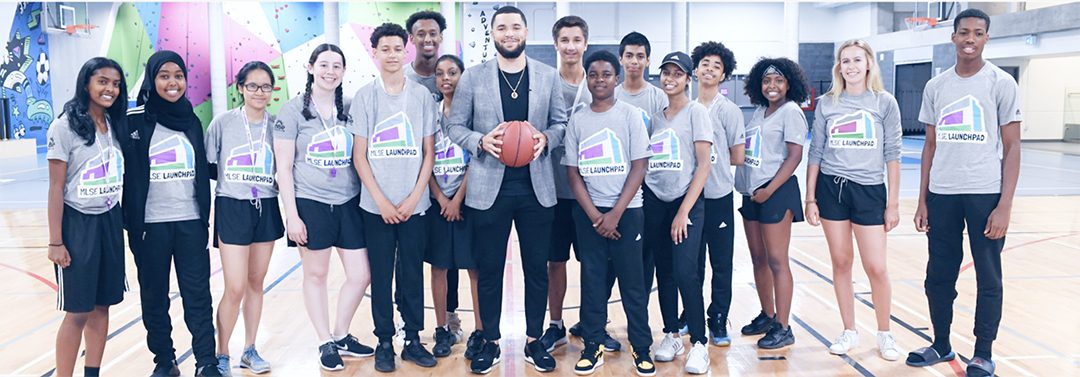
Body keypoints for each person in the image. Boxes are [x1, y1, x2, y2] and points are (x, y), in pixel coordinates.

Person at [446, 5, 568, 374]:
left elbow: (561, 123)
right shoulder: (473, 77)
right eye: (502, 27)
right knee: (489, 268)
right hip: (488, 187)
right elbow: (455, 126)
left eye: (516, 26)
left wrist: (545, 138)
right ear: (493, 34)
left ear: (526, 32)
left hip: (536, 187)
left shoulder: (548, 76)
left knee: (536, 267)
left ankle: (534, 340)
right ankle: (492, 340)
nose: (509, 33)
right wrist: (481, 141)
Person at [907, 9, 1021, 377]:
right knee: (938, 276)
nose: (970, 38)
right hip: (942, 194)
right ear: (953, 37)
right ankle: (941, 344)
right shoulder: (937, 86)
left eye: (978, 33)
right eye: (964, 32)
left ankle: (983, 353)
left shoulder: (1001, 83)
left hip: (985, 193)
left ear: (987, 38)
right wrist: (922, 199)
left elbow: (1013, 146)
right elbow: (929, 145)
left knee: (989, 278)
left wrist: (1004, 206)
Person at [272, 43, 373, 372]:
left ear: (344, 72)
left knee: (361, 275)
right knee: (316, 275)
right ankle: (323, 340)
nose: (330, 72)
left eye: (337, 66)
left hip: (348, 201)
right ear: (311, 67)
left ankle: (341, 333)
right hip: (310, 202)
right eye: (324, 65)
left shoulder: (352, 108)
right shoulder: (292, 111)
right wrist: (292, 215)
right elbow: (283, 168)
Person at [123, 51, 221, 377]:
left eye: (178, 75)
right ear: (152, 79)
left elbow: (203, 167)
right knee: (155, 298)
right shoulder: (134, 119)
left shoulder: (191, 120)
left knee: (197, 295)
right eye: (164, 75)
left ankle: (206, 361)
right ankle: (165, 362)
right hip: (150, 226)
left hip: (191, 221)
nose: (172, 82)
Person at [804, 39, 903, 361]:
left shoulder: (884, 102)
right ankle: (849, 330)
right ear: (839, 67)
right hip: (832, 189)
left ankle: (885, 333)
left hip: (870, 190)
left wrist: (893, 204)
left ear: (869, 64)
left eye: (857, 60)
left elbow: (893, 154)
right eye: (845, 61)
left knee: (876, 266)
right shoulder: (828, 103)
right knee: (842, 262)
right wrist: (810, 198)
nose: (851, 66)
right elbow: (815, 152)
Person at [350, 22, 438, 372]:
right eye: (384, 49)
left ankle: (413, 338)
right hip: (376, 206)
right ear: (375, 53)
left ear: (407, 51)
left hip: (416, 205)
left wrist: (416, 195)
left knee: (412, 273)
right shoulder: (364, 97)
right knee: (382, 274)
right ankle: (384, 340)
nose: (391, 54)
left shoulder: (420, 97)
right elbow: (360, 155)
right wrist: (381, 201)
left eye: (397, 48)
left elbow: (428, 152)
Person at [563, 50, 656, 377]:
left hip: (627, 213)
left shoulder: (630, 116)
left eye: (605, 74)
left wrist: (616, 213)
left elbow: (639, 166)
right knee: (592, 282)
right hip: (589, 215)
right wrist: (594, 215)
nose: (599, 80)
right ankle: (593, 345)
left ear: (616, 78)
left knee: (633, 284)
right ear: (587, 79)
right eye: (593, 74)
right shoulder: (578, 119)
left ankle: (641, 348)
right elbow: (573, 174)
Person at [47, 57, 128, 377]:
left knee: (102, 305)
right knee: (77, 311)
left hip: (110, 219)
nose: (110, 89)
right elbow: (55, 188)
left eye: (116, 84)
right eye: (103, 81)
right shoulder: (64, 126)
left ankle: (92, 373)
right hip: (77, 224)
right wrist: (56, 241)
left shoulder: (114, 124)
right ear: (86, 84)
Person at [206, 61, 284, 375]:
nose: (259, 92)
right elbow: (210, 165)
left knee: (255, 282)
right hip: (233, 205)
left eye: (265, 86)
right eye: (252, 86)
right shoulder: (222, 123)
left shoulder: (277, 125)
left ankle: (250, 349)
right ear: (240, 88)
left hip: (266, 205)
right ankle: (221, 353)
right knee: (235, 286)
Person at [542, 14, 612, 354]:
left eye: (576, 40)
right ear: (556, 45)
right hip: (553, 191)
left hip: (592, 193)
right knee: (555, 262)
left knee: (594, 264)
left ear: (585, 43)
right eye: (564, 40)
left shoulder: (599, 83)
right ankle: (554, 325)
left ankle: (592, 323)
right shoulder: (545, 84)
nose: (570, 46)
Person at [733, 57, 810, 350]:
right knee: (758, 258)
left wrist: (769, 189)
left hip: (776, 192)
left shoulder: (791, 112)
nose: (772, 86)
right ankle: (767, 314)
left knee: (777, 260)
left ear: (789, 84)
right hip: (753, 194)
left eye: (778, 80)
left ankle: (784, 325)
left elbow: (794, 157)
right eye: (766, 81)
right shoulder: (760, 112)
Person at [645, 51, 713, 374]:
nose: (670, 78)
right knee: (665, 272)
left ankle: (699, 342)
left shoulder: (696, 112)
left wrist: (683, 211)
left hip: (686, 205)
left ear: (688, 78)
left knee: (686, 272)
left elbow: (703, 166)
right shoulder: (656, 117)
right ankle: (671, 334)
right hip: (656, 201)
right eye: (666, 72)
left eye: (677, 73)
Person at [425, 54, 484, 359]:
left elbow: (478, 158)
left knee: (474, 268)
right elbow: (426, 160)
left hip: (468, 201)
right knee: (439, 268)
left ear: (463, 76)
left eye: (452, 72)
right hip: (437, 201)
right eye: (440, 73)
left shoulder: (473, 115)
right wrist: (440, 198)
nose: (446, 78)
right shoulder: (429, 114)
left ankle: (479, 330)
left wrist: (458, 199)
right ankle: (442, 328)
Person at [691, 41, 745, 347]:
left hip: (719, 196)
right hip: (691, 198)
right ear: (696, 69)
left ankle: (719, 318)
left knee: (721, 263)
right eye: (705, 63)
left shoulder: (729, 111)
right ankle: (692, 314)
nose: (710, 69)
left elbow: (737, 156)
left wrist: (709, 157)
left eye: (717, 66)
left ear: (724, 75)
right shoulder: (685, 107)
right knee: (691, 263)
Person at [405, 10, 446, 96]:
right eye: (421, 34)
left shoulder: (451, 77)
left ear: (440, 37)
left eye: (433, 34)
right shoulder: (401, 77)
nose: (427, 39)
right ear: (412, 38)